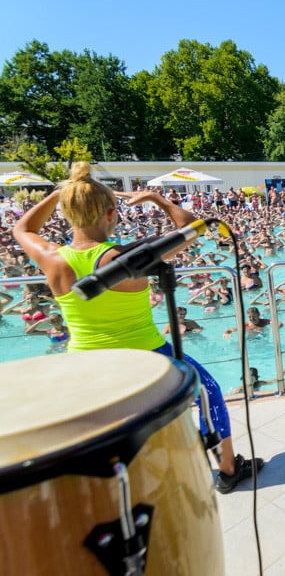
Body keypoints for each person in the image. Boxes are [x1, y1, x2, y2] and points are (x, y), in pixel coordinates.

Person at [12, 163, 262, 494]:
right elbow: (192, 227)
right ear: (112, 213)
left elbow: (22, 229)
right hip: (146, 354)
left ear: (66, 213)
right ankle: (229, 469)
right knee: (209, 391)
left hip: (83, 361)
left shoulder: (52, 258)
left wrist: (58, 195)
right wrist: (158, 200)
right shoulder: (124, 257)